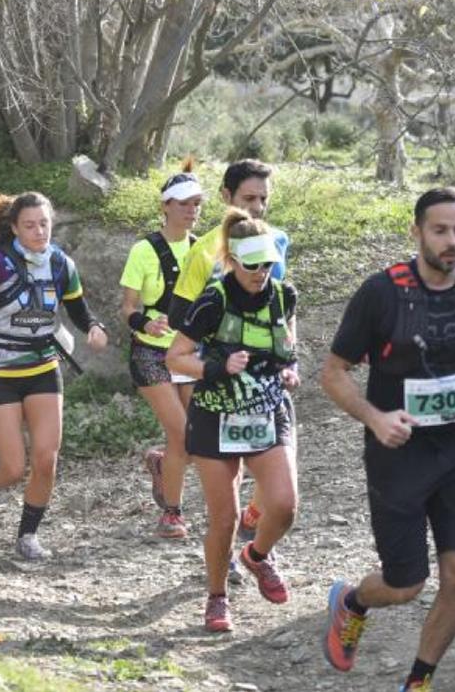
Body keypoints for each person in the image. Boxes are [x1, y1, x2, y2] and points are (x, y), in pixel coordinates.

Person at [320, 187, 455, 692]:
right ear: (417, 232)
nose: (453, 241)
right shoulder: (382, 292)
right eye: (440, 230)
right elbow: (334, 373)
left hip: (454, 451)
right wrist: (374, 417)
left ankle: (419, 681)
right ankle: (353, 601)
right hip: (397, 457)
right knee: (406, 585)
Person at [0, 191, 109, 560]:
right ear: (14, 228)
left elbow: (78, 308)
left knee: (45, 458)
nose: (39, 232)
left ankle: (27, 536)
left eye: (44, 224)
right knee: (12, 466)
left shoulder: (60, 264)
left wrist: (94, 327)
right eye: (30, 225)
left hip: (42, 366)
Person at [166, 209, 300, 632]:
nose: (260, 272)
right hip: (215, 416)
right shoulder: (214, 301)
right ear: (234, 260)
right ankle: (217, 597)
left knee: (284, 506)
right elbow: (176, 358)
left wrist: (289, 367)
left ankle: (256, 557)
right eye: (251, 264)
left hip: (266, 411)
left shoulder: (283, 295)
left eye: (267, 264)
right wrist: (218, 366)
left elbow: (287, 343)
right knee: (224, 519)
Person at [163, 159, 292, 553]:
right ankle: (226, 552)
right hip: (215, 378)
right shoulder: (204, 251)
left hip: (264, 380)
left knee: (282, 489)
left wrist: (286, 358)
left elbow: (281, 308)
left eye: (263, 199)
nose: (256, 206)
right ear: (227, 198)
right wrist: (220, 344)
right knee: (226, 490)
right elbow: (177, 318)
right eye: (248, 198)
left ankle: (254, 524)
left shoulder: (278, 240)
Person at [119, 166, 203, 538]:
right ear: (166, 206)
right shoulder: (144, 249)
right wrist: (144, 324)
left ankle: (160, 465)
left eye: (197, 204)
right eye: (185, 204)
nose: (192, 211)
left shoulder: (203, 249)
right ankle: (172, 514)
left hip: (188, 353)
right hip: (150, 354)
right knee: (183, 433)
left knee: (194, 436)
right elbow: (128, 307)